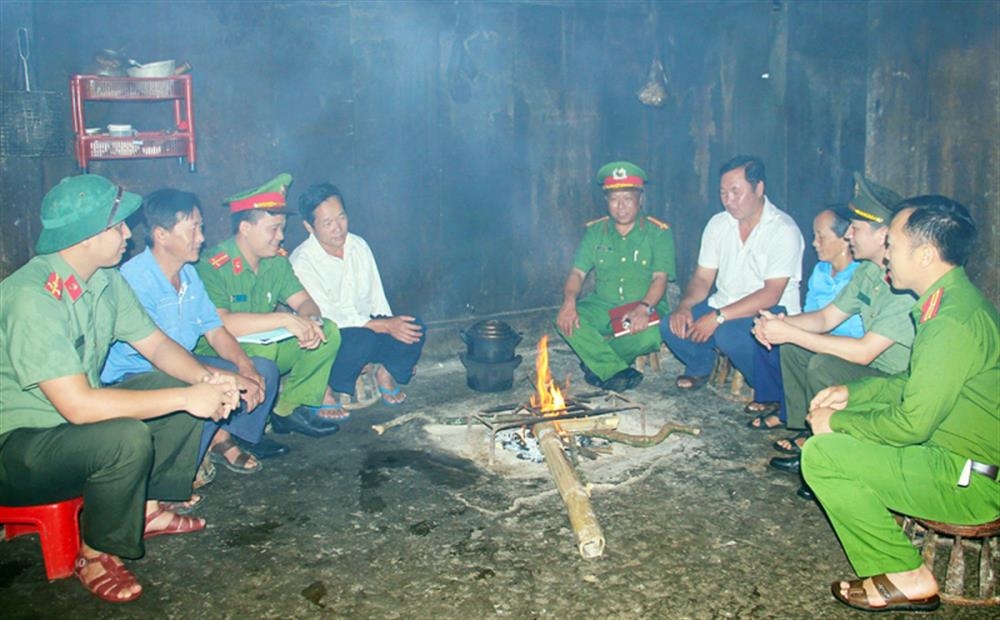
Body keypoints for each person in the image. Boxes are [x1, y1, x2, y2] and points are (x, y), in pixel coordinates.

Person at [0, 174, 244, 603]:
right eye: (117, 226)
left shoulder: (104, 280)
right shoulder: (33, 296)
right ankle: (95, 553)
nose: (129, 234)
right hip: (20, 448)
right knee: (126, 435)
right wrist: (189, 397)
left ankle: (146, 507)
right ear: (85, 235)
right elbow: (77, 407)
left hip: (68, 433)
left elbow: (156, 345)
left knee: (182, 380)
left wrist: (207, 380)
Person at [802, 195, 998, 613]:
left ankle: (906, 574)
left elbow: (911, 425)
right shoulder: (950, 302)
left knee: (822, 455)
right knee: (841, 433)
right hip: (952, 456)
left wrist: (838, 423)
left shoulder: (950, 322)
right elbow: (913, 383)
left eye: (892, 243)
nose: (884, 252)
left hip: (969, 480)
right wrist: (852, 394)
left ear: (925, 254)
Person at [102, 189, 289, 475]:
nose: (201, 237)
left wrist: (245, 366)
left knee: (263, 369)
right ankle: (175, 471)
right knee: (211, 386)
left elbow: (215, 330)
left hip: (183, 364)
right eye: (192, 229)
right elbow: (158, 357)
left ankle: (218, 437)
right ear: (161, 235)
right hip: (139, 375)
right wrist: (224, 377)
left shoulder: (189, 274)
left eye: (200, 227)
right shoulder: (134, 280)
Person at [754, 174, 915, 483]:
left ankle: (828, 458)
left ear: (883, 235)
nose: (849, 235)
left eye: (856, 228)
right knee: (793, 348)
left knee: (821, 364)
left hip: (894, 380)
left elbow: (865, 352)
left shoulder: (903, 284)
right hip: (873, 369)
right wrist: (780, 324)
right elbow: (827, 317)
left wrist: (792, 332)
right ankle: (809, 434)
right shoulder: (868, 271)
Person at [194, 173, 343, 438]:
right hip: (221, 350)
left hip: (264, 345)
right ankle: (242, 432)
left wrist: (310, 322)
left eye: (283, 228)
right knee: (263, 352)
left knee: (328, 332)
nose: (281, 236)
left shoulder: (276, 262)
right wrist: (285, 320)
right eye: (273, 229)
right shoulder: (213, 265)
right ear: (245, 228)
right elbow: (221, 323)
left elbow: (306, 303)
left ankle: (287, 410)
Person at [662, 155, 804, 390]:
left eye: (736, 192)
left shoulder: (783, 229)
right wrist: (685, 306)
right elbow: (702, 278)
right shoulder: (718, 224)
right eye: (723, 193)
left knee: (729, 334)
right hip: (723, 304)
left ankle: (773, 391)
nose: (728, 200)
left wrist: (718, 317)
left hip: (770, 312)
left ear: (759, 188)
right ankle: (700, 366)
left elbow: (771, 295)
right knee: (671, 325)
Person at [290, 183, 425, 407]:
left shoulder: (358, 246)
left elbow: (377, 299)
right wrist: (385, 327)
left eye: (341, 218)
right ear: (309, 227)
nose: (338, 228)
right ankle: (327, 385)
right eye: (327, 223)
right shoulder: (302, 262)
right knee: (360, 340)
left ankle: (385, 372)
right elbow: (329, 319)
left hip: (369, 329)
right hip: (332, 340)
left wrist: (394, 333)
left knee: (414, 326)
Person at [555, 161, 676, 392]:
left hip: (644, 304)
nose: (621, 207)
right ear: (606, 201)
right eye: (614, 199)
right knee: (565, 319)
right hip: (603, 304)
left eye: (627, 199)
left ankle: (597, 364)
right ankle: (612, 369)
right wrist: (569, 303)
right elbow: (577, 273)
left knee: (651, 334)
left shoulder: (658, 233)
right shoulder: (595, 231)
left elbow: (660, 278)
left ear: (640, 199)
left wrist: (644, 307)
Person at [745, 207, 862, 429]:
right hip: (818, 333)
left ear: (846, 238)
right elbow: (812, 314)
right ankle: (786, 408)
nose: (815, 243)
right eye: (814, 236)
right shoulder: (821, 271)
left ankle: (795, 417)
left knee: (800, 351)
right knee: (769, 334)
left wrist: (799, 334)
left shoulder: (861, 274)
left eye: (821, 236)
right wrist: (778, 324)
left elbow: (853, 330)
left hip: (844, 345)